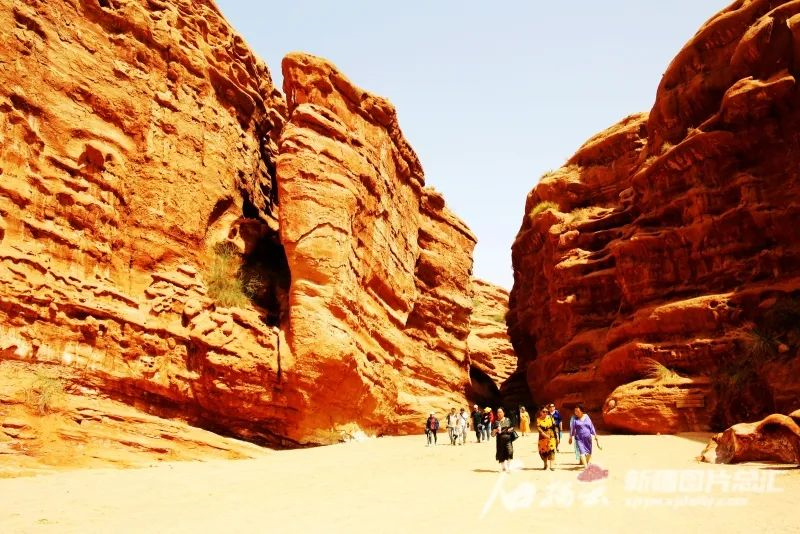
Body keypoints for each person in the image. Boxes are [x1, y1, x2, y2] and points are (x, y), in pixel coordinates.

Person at [569, 404, 600, 468]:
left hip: (588, 438)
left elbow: (591, 426)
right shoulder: (574, 419)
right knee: (582, 452)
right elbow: (572, 429)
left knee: (589, 453)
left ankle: (587, 463)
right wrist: (570, 437)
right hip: (579, 438)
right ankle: (586, 467)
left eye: (577, 411)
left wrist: (595, 435)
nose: (576, 412)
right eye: (575, 411)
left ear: (582, 411)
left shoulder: (587, 417)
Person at [491, 407, 515, 472]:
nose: (499, 413)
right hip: (500, 441)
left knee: (510, 452)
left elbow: (512, 428)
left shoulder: (508, 420)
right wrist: (496, 430)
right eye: (498, 412)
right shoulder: (496, 422)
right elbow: (492, 434)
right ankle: (503, 467)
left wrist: (511, 429)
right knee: (501, 454)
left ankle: (509, 466)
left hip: (508, 440)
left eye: (500, 412)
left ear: (503, 413)